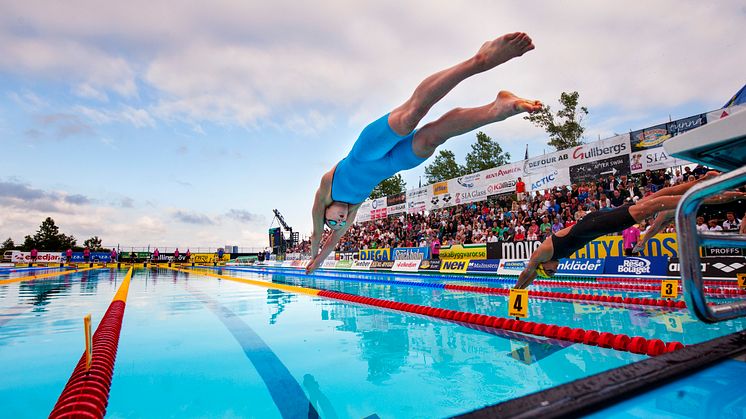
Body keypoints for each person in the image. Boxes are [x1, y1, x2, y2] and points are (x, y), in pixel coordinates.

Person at [305, 33, 542, 274]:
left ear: (324, 211)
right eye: (339, 224)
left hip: (366, 150)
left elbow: (318, 235)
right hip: (393, 164)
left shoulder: (326, 189)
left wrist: (313, 256)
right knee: (434, 137)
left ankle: (480, 59)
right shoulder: (352, 210)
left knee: (410, 117)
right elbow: (334, 239)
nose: (340, 222)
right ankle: (496, 109)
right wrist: (320, 262)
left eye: (333, 220)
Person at [515, 172, 720, 288]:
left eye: (551, 270)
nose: (556, 268)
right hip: (596, 222)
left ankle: (702, 195)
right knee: (653, 199)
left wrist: (516, 291)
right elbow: (533, 274)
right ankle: (701, 182)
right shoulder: (551, 257)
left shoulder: (543, 252)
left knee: (653, 206)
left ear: (543, 265)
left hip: (598, 225)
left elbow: (528, 272)